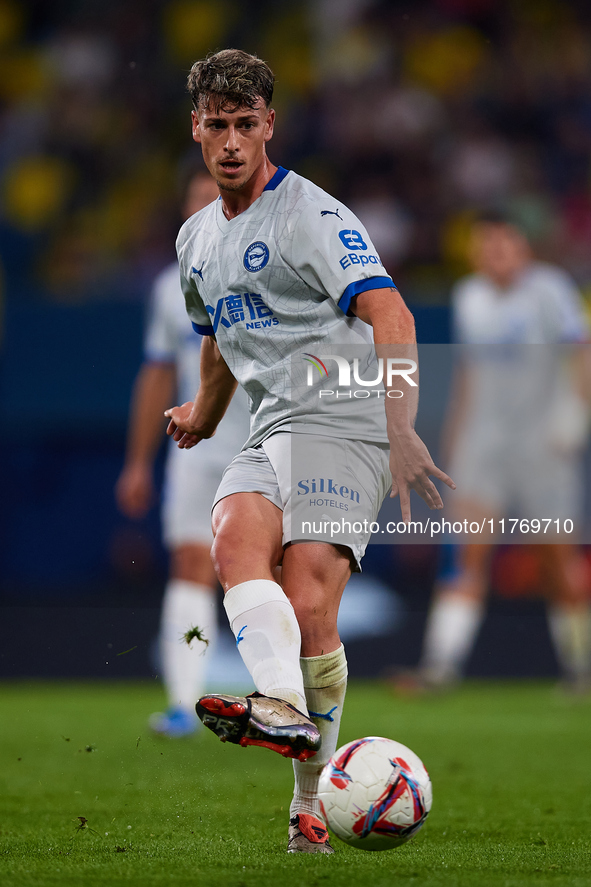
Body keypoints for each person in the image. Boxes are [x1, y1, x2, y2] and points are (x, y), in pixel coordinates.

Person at [164, 49, 454, 854]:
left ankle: (306, 799)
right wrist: (201, 409)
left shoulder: (312, 216)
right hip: (270, 426)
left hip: (346, 422)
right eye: (216, 125)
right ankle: (283, 707)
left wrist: (400, 428)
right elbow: (219, 340)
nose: (229, 141)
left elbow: (391, 315)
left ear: (268, 126)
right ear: (195, 127)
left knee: (308, 607)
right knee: (230, 538)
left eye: (244, 124)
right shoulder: (194, 240)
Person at [406, 213, 591, 694]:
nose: (496, 254)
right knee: (467, 557)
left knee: (555, 563)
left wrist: (576, 413)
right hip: (484, 446)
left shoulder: (550, 291)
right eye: (487, 246)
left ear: (523, 249)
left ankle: (580, 669)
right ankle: (439, 667)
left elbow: (581, 352)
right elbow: (468, 373)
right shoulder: (469, 296)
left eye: (504, 245)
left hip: (543, 446)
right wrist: (452, 438)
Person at [115, 166, 250, 737]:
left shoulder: (271, 268)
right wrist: (139, 462)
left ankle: (281, 698)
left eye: (217, 198)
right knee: (191, 564)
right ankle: (183, 702)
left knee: (260, 569)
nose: (208, 208)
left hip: (262, 442)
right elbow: (155, 377)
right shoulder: (169, 287)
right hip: (194, 446)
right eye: (198, 200)